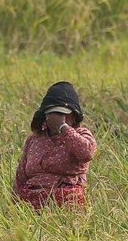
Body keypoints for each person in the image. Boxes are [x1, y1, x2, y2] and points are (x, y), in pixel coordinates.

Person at [13, 81, 97, 209]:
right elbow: (21, 176)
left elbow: (86, 153)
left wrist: (64, 128)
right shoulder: (34, 140)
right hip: (32, 201)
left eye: (63, 114)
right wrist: (13, 205)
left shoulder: (81, 134)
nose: (58, 119)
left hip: (67, 202)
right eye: (54, 114)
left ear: (73, 116)